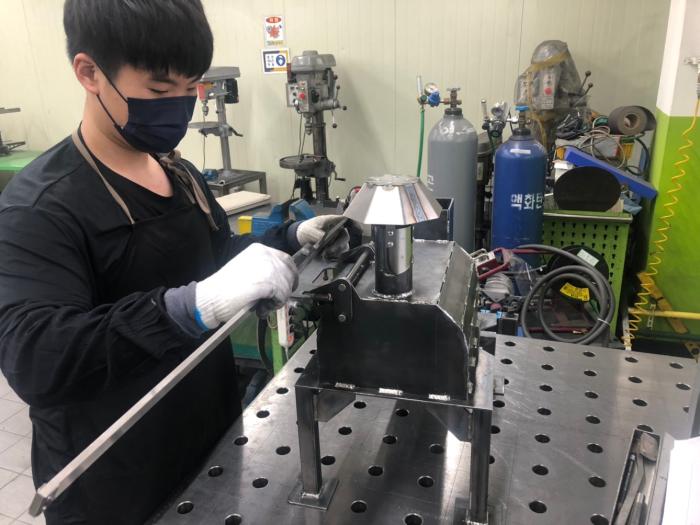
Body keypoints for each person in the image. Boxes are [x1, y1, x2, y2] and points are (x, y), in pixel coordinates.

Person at [0, 1, 349, 523]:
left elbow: (217, 262)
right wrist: (187, 309)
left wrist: (289, 238)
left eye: (191, 88)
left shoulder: (179, 174)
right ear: (89, 73)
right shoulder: (41, 207)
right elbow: (36, 357)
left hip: (210, 446)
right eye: (161, 90)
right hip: (115, 486)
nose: (180, 107)